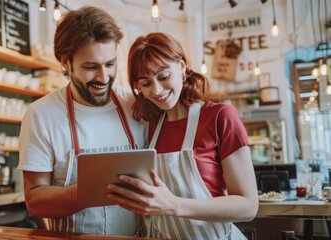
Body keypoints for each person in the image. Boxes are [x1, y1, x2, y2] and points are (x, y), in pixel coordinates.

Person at [106, 32, 259, 239]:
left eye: (164, 76)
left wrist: (174, 205)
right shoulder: (150, 127)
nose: (157, 90)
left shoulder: (219, 117)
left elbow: (248, 206)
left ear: (183, 68)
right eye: (146, 83)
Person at [17, 6, 147, 236]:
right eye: (91, 67)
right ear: (66, 63)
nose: (103, 77)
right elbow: (35, 200)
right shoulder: (41, 115)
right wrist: (93, 189)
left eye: (110, 64)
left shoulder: (134, 106)